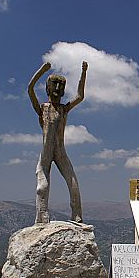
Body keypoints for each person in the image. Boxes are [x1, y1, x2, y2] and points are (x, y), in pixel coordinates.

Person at [28, 61, 87, 224]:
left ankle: (77, 214)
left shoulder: (64, 109)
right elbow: (30, 89)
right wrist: (42, 70)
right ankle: (42, 215)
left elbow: (80, 96)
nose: (58, 88)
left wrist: (83, 73)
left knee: (72, 182)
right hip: (46, 153)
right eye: (55, 84)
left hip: (60, 152)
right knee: (42, 186)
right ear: (48, 87)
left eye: (62, 85)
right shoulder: (43, 108)